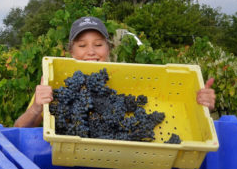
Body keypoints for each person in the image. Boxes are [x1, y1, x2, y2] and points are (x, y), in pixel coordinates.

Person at [13, 16, 216, 128]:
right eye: (82, 45)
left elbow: (174, 108)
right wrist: (37, 108)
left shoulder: (131, 81)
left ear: (109, 49)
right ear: (70, 51)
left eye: (98, 44)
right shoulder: (54, 83)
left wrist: (200, 105)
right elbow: (18, 130)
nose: (91, 52)